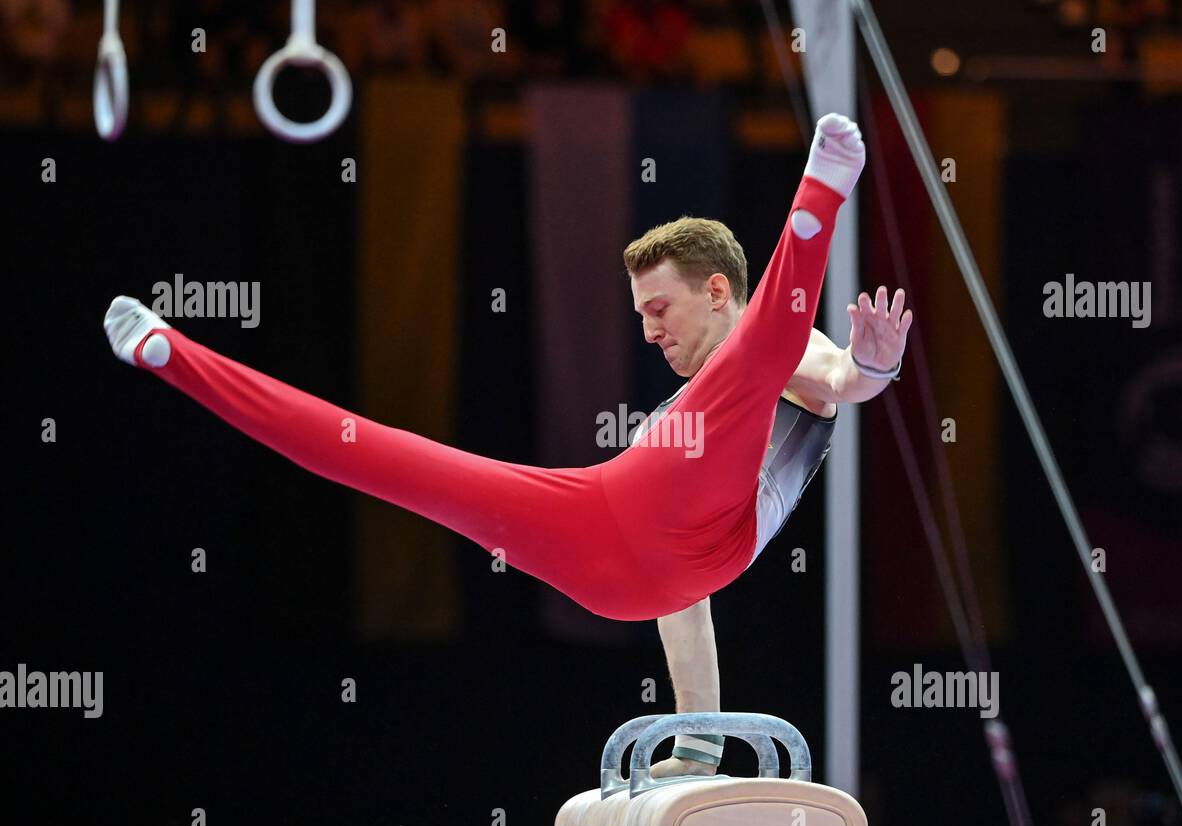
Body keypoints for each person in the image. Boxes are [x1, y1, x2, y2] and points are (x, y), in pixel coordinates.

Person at [102, 113, 912, 771]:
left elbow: (842, 381)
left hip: (703, 530)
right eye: (638, 316)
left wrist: (874, 360)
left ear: (715, 290)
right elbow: (680, 598)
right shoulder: (692, 419)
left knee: (753, 358)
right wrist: (698, 737)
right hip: (614, 539)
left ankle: (819, 200)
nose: (648, 330)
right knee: (384, 458)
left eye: (659, 309)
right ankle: (179, 360)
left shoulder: (771, 358)